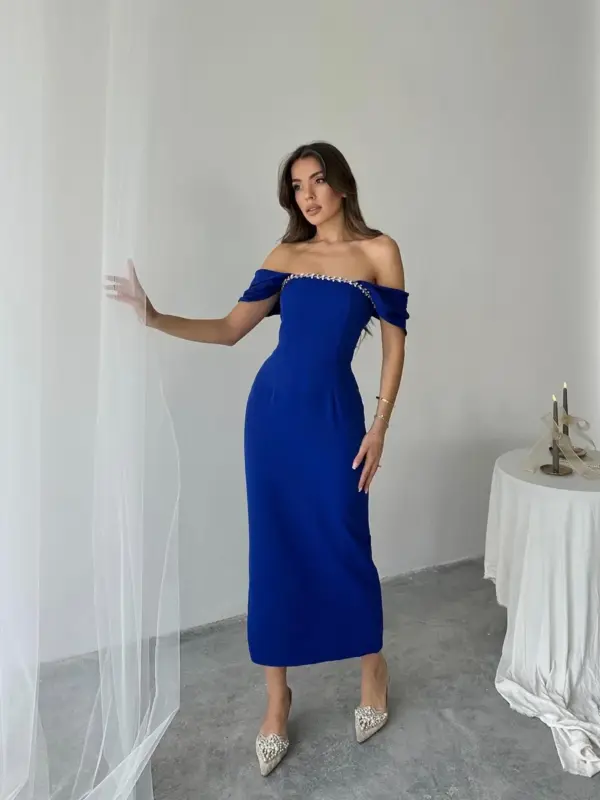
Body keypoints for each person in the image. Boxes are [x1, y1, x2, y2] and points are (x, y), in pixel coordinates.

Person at [106, 141, 409, 777]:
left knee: (345, 540)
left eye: (317, 180)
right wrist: (154, 316)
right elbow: (228, 329)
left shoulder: (380, 252)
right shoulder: (285, 256)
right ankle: (277, 698)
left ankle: (372, 668)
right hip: (271, 419)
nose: (308, 195)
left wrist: (381, 425)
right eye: (297, 186)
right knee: (274, 550)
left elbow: (393, 346)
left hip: (335, 418)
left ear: (341, 184)